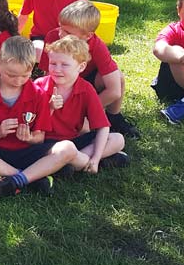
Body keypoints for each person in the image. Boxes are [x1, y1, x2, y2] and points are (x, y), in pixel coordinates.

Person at [0, 36, 77, 199]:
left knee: (68, 148)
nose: (18, 81)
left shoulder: (38, 94)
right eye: (11, 75)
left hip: (28, 151)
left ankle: (15, 180)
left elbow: (40, 138)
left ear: (32, 69)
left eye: (25, 75)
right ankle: (32, 177)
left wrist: (29, 138)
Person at [39, 0, 139, 138]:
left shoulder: (97, 46)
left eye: (67, 32)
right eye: (60, 27)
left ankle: (114, 117)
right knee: (79, 130)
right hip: (62, 83)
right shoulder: (53, 36)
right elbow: (47, 77)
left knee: (118, 78)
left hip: (87, 83)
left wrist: (87, 112)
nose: (61, 34)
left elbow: (114, 90)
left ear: (88, 36)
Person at [37, 36, 129, 174]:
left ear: (81, 67)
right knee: (64, 149)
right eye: (53, 63)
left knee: (117, 139)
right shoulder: (39, 86)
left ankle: (73, 163)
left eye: (65, 64)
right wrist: (49, 108)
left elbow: (102, 126)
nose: (57, 69)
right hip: (46, 144)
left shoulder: (86, 89)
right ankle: (75, 164)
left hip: (74, 141)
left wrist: (96, 158)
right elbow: (31, 126)